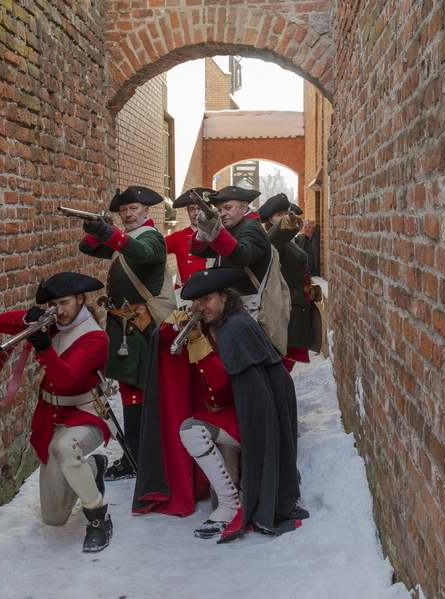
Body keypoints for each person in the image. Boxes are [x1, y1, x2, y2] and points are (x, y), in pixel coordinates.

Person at [163, 266, 308, 542]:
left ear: (225, 297)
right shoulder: (222, 323)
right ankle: (231, 500)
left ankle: (232, 505)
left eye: (208, 300)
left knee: (191, 429)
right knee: (217, 498)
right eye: (197, 302)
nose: (201, 307)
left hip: (255, 419)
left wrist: (194, 340)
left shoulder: (235, 327)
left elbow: (218, 380)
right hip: (239, 412)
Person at [0, 272, 113, 552]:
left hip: (86, 415)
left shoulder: (95, 337)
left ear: (81, 300)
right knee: (54, 518)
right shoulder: (54, 321)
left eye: (65, 303)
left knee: (65, 447)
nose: (59, 311)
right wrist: (28, 318)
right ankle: (93, 468)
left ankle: (98, 516)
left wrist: (44, 346)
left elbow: (66, 379)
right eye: (54, 304)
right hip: (52, 417)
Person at [79, 186, 168, 480]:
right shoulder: (126, 239)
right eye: (123, 210)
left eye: (134, 209)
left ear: (146, 212)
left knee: (139, 389)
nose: (128, 214)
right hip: (125, 326)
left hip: (143, 324)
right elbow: (87, 248)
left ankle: (142, 456)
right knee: (133, 388)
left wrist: (111, 233)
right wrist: (95, 229)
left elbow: (142, 254)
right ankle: (137, 455)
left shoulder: (151, 237)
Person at [258, 193, 312, 371]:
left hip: (297, 306)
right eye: (278, 215)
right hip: (284, 309)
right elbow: (273, 240)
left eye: (286, 213)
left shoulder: (291, 241)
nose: (284, 218)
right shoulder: (272, 241)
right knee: (281, 363)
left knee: (286, 364)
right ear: (270, 221)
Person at [189, 186, 270, 298]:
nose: (222, 214)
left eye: (228, 207)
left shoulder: (251, 228)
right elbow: (202, 251)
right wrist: (203, 233)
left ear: (245, 207)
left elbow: (244, 256)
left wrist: (216, 232)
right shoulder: (237, 226)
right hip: (235, 299)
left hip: (247, 301)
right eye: (219, 210)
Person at [164, 188, 213, 288]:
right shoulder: (178, 236)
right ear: (188, 212)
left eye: (200, 209)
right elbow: (154, 249)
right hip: (183, 293)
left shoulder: (219, 234)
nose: (196, 213)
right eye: (192, 209)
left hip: (210, 290)